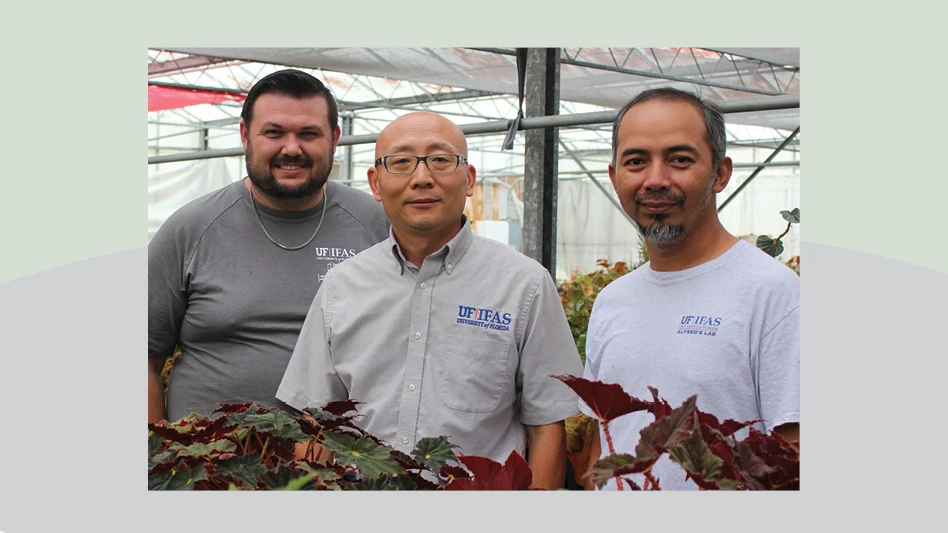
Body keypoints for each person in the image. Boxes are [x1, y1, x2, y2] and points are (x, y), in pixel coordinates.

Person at [276, 111, 583, 490]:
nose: (422, 178)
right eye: (401, 162)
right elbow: (315, 419)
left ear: (469, 179)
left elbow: (548, 422)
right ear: (375, 183)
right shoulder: (342, 285)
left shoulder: (524, 284)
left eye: (440, 160)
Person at [579, 88, 800, 490]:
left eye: (680, 160)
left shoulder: (773, 293)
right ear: (614, 177)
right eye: (636, 162)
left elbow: (793, 459)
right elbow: (604, 441)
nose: (656, 180)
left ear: (720, 173)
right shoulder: (613, 300)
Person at [148, 69, 389, 424]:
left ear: (335, 138)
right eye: (274, 133)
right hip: (205, 467)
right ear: (245, 135)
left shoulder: (377, 225)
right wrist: (154, 458)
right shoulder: (189, 229)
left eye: (309, 134)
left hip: (340, 469)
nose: (291, 149)